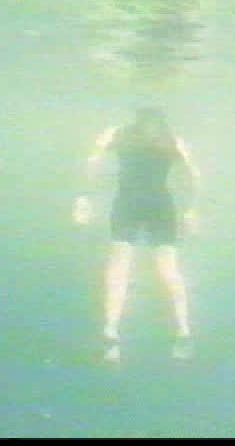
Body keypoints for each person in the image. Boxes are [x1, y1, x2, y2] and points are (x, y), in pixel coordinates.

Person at [72, 107, 202, 362]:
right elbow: (193, 175)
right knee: (136, 265)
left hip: (139, 204)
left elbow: (92, 162)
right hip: (147, 205)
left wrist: (83, 198)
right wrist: (192, 209)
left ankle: (176, 328)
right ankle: (174, 328)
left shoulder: (124, 136)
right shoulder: (163, 140)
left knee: (146, 266)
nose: (149, 129)